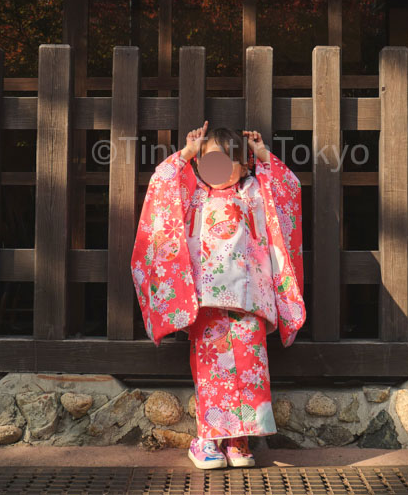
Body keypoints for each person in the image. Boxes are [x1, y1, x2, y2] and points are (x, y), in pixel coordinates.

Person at [130, 121, 306, 469]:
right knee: (212, 368)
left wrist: (263, 155)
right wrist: (186, 154)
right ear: (199, 165)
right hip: (207, 297)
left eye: (230, 162)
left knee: (250, 364)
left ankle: (239, 440)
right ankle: (209, 438)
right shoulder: (194, 192)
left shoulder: (252, 192)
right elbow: (161, 186)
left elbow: (288, 190)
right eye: (211, 162)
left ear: (244, 166)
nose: (220, 169)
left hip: (249, 296)